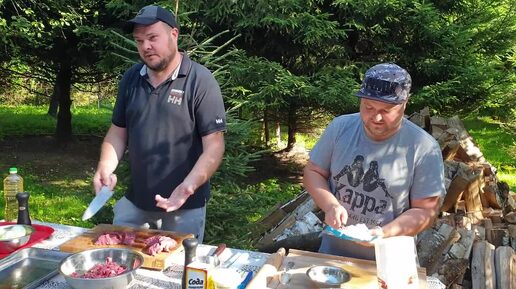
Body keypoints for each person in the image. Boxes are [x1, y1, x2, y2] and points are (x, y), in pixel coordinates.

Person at [92, 5, 226, 243]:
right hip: (135, 204)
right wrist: (105, 167)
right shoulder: (131, 78)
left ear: (174, 34)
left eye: (153, 37)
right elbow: (118, 132)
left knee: (177, 274)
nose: (145, 46)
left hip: (184, 208)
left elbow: (214, 146)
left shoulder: (200, 81)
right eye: (139, 40)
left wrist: (187, 187)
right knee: (117, 267)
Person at [303, 63, 445, 260]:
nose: (376, 117)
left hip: (390, 261)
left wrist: (383, 233)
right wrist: (330, 206)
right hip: (334, 254)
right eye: (369, 107)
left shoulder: (423, 147)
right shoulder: (340, 128)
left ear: (405, 104)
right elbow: (313, 172)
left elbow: (426, 211)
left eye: (387, 110)